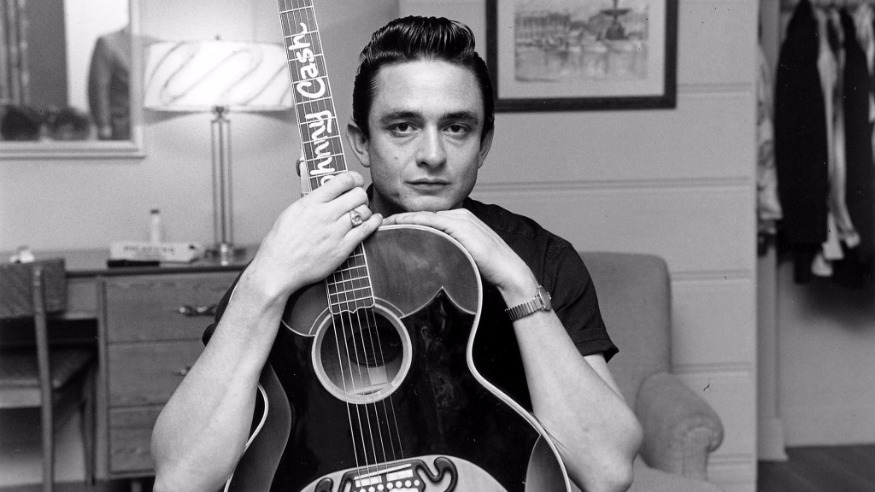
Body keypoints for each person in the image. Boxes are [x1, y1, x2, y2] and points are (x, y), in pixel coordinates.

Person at [151, 16, 642, 492]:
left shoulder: (536, 255)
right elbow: (181, 478)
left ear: (484, 143)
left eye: (457, 127)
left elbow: (608, 471)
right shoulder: (288, 262)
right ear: (361, 142)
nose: (432, 154)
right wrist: (264, 283)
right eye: (403, 126)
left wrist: (516, 281)